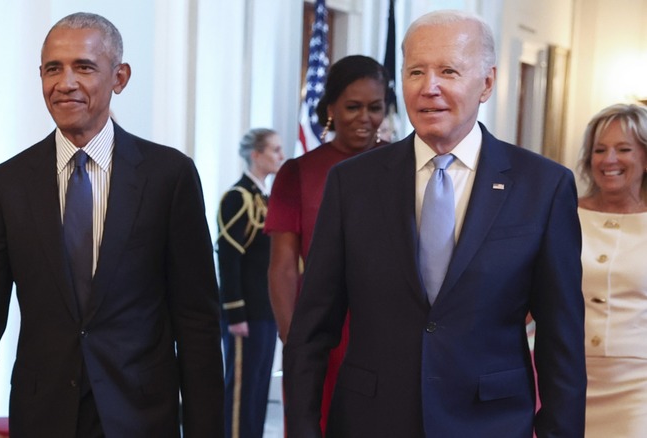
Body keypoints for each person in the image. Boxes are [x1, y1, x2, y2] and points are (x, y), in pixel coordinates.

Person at [283, 10, 586, 437]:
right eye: (415, 72)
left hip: (490, 423)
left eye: (448, 70)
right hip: (371, 421)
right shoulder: (351, 184)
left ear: (486, 83)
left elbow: (562, 338)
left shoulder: (543, 187)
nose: (430, 88)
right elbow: (312, 328)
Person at [0, 12, 224, 438]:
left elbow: (197, 321)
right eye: (53, 68)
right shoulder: (9, 183)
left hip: (142, 416)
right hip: (43, 417)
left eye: (84, 67)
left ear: (120, 77)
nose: (66, 82)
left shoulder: (169, 177)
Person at [265, 55, 387, 433]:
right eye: (353, 107)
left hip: (389, 333)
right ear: (330, 107)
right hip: (321, 334)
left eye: (375, 107)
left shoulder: (404, 166)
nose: (364, 118)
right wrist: (297, 342)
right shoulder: (297, 173)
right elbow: (283, 266)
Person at [577, 103, 647, 437]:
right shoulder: (564, 213)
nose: (609, 160)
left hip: (639, 384)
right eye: (599, 150)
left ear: (645, 157)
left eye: (623, 149)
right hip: (569, 377)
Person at [217, 128, 284, 438]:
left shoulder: (266, 198)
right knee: (241, 393)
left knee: (258, 390)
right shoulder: (238, 197)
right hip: (246, 313)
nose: (280, 156)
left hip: (265, 310)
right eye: (274, 150)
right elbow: (228, 258)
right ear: (256, 155)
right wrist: (235, 312)